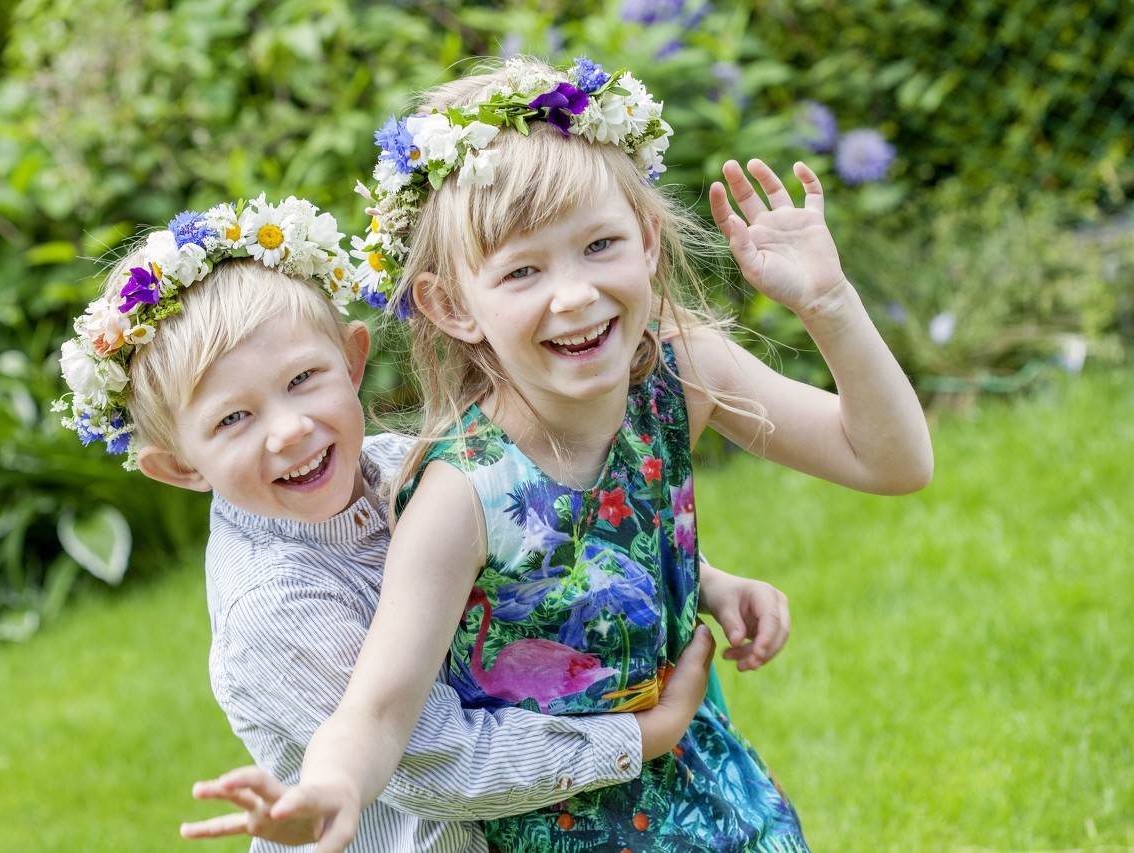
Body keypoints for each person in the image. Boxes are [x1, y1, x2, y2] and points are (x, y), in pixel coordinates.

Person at [256, 57, 934, 851]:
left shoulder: (683, 371)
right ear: (451, 305)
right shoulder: (461, 495)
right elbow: (378, 707)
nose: (573, 294)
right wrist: (331, 786)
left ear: (647, 240)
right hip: (564, 824)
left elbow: (890, 461)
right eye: (522, 270)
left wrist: (829, 304)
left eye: (599, 244)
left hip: (709, 792)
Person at [55, 192, 793, 852]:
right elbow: (426, 757)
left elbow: (543, 554)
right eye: (234, 419)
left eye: (301, 380)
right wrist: (642, 734)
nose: (287, 430)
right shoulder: (273, 606)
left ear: (352, 359)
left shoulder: (398, 462)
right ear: (179, 465)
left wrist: (706, 580)